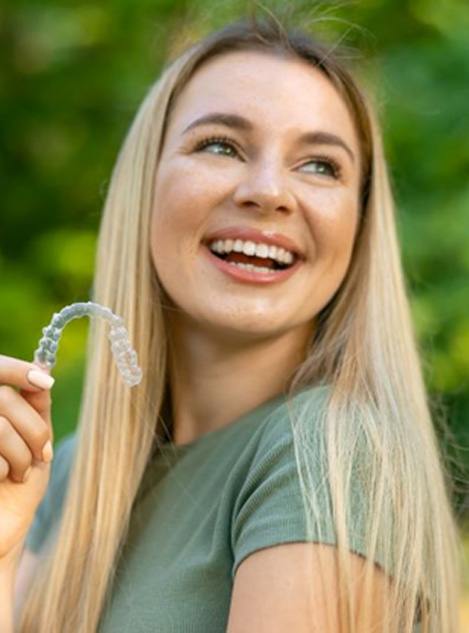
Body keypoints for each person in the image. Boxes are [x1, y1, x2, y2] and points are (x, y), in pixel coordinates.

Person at [0, 13, 462, 633]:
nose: (269, 191)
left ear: (358, 224)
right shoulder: (73, 471)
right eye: (220, 145)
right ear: (146, 185)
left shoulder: (328, 452)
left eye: (321, 165)